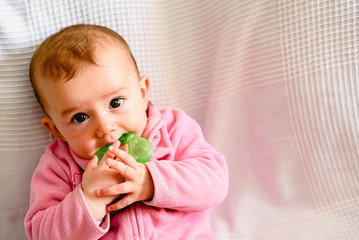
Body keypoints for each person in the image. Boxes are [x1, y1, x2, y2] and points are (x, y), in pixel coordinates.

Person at [24, 24, 228, 240]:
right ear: (57, 130)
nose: (105, 128)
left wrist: (150, 182)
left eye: (115, 102)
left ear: (142, 93)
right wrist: (90, 199)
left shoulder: (173, 128)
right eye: (80, 118)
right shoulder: (59, 165)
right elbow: (41, 234)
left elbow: (215, 182)